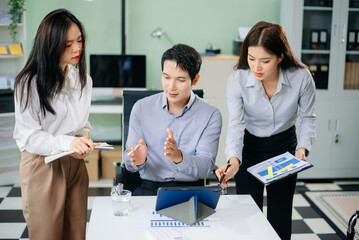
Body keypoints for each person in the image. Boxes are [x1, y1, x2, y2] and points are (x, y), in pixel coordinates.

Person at [215, 21, 316, 240]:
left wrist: (301, 151)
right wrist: (233, 160)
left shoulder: (301, 77)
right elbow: (236, 124)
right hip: (249, 148)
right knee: (248, 215)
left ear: (281, 56)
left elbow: (308, 118)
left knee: (280, 215)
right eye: (251, 59)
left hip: (284, 149)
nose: (256, 67)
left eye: (265, 60)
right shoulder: (237, 81)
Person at [13, 9, 94, 240]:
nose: (77, 49)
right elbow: (30, 137)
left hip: (75, 165)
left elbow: (81, 124)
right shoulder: (29, 84)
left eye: (79, 41)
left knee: (76, 234)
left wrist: (84, 140)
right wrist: (71, 142)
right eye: (68, 44)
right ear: (50, 45)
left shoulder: (83, 80)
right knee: (47, 235)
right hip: (43, 166)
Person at [124, 44, 222, 196]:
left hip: (190, 190)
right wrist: (137, 160)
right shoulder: (142, 108)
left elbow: (205, 168)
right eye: (166, 77)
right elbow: (128, 162)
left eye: (180, 80)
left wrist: (179, 157)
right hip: (149, 189)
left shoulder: (211, 114)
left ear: (195, 79)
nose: (171, 86)